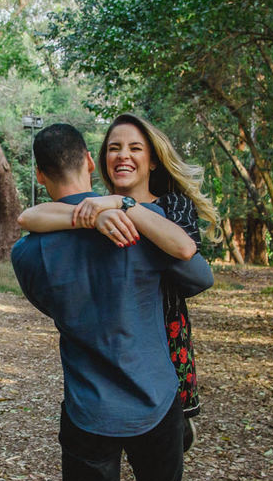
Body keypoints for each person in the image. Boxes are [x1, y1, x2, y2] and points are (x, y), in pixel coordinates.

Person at [11, 123, 213, 481]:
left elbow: (50, 298)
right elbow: (198, 277)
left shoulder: (30, 252)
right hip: (158, 402)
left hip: (89, 409)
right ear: (92, 165)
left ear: (41, 176)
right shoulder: (141, 231)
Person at [18, 114, 219, 453]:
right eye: (114, 148)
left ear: (152, 160)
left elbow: (193, 266)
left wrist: (124, 206)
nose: (123, 155)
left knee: (166, 446)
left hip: (164, 338)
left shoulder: (171, 206)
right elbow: (29, 217)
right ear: (97, 160)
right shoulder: (98, 206)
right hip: (114, 342)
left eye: (135, 148)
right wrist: (98, 215)